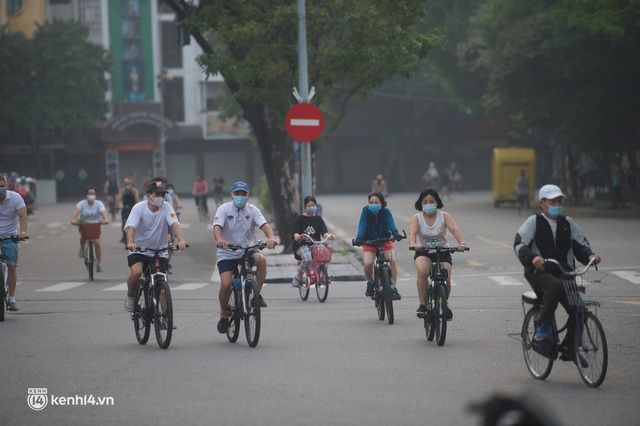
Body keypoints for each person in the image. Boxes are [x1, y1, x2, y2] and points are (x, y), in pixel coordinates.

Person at [514, 184, 601, 367]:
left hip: (564, 272)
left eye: (559, 201)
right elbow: (519, 245)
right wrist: (533, 258)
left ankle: (570, 349)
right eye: (553, 201)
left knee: (579, 310)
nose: (557, 204)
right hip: (540, 272)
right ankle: (543, 327)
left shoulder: (567, 223)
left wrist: (590, 256)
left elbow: (580, 245)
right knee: (554, 286)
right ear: (542, 203)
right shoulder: (533, 222)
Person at [213, 181, 277, 334]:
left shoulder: (253, 210)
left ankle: (256, 296)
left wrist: (271, 237)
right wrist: (220, 240)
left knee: (262, 260)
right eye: (237, 194)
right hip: (227, 251)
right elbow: (217, 227)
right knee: (226, 284)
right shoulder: (224, 209)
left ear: (248, 195)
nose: (240, 197)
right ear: (231, 194)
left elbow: (264, 225)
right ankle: (223, 313)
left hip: (246, 250)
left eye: (243, 194)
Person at [123, 180, 187, 312]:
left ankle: (165, 317)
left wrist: (181, 241)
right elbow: (131, 228)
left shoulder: (167, 206)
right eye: (157, 194)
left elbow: (174, 224)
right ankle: (130, 295)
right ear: (148, 196)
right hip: (139, 249)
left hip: (159, 250)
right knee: (137, 272)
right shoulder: (138, 208)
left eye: (163, 194)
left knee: (161, 280)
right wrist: (130, 243)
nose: (160, 198)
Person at [408, 188, 466, 319]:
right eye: (425, 202)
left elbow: (455, 229)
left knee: (446, 276)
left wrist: (461, 243)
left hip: (443, 251)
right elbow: (412, 232)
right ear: (421, 204)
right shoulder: (416, 218)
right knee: (422, 271)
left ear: (437, 202)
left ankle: (445, 303)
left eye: (431, 201)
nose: (428, 204)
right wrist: (413, 244)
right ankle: (422, 304)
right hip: (424, 252)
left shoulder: (444, 216)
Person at [353, 192, 403, 300]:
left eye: (376, 202)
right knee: (368, 263)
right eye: (371, 202)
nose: (373, 204)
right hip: (369, 242)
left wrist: (396, 233)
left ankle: (393, 287)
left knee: (392, 260)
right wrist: (359, 238)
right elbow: (362, 225)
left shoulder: (386, 212)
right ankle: (370, 282)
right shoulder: (365, 212)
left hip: (385, 241)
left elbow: (391, 223)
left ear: (382, 203)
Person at [291, 196, 335, 287]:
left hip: (315, 245)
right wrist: (297, 236)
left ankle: (322, 274)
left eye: (313, 205)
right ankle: (298, 276)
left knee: (326, 254)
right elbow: (295, 232)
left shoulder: (318, 219)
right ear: (305, 207)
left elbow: (324, 232)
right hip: (302, 245)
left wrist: (329, 236)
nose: (311, 207)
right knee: (307, 259)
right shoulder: (300, 219)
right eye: (309, 205)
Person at [0, 175, 28, 311]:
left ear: (6, 185)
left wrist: (22, 232)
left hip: (10, 238)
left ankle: (11, 299)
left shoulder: (15, 197)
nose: (1, 189)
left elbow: (23, 216)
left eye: (2, 186)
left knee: (11, 267)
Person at [70, 186, 110, 272]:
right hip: (84, 224)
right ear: (86, 195)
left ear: (95, 195)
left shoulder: (99, 204)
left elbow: (104, 215)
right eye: (89, 193)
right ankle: (82, 248)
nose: (91, 195)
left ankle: (99, 264)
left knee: (97, 242)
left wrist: (106, 220)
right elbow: (75, 213)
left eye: (93, 193)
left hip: (96, 225)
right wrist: (73, 220)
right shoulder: (81, 204)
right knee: (83, 237)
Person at [115, 177, 140, 243]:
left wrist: (138, 207)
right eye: (126, 184)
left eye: (129, 184)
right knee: (123, 223)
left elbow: (137, 199)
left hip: (133, 209)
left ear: (131, 184)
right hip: (125, 208)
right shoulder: (122, 191)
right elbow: (119, 198)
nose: (127, 185)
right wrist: (116, 205)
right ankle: (124, 236)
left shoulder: (135, 191)